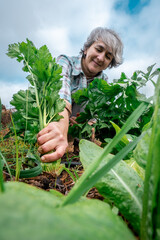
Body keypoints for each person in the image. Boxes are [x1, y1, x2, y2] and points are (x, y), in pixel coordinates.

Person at [37, 27, 123, 162]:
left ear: (109, 65)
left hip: (80, 140)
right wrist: (62, 123)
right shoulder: (66, 62)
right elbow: (61, 92)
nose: (101, 58)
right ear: (86, 48)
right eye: (99, 49)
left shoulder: (104, 82)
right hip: (55, 127)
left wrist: (88, 123)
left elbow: (100, 115)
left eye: (108, 56)